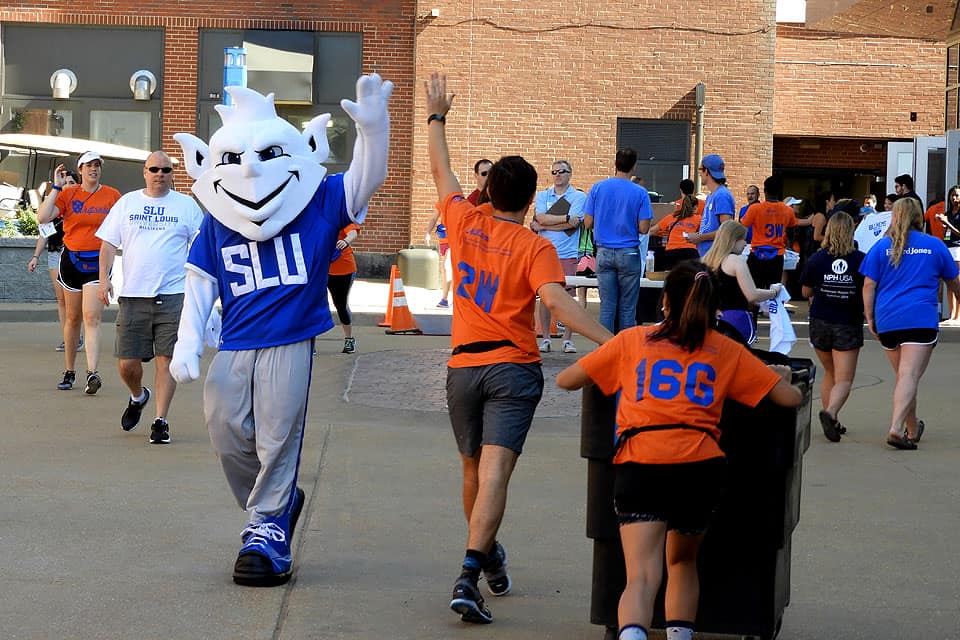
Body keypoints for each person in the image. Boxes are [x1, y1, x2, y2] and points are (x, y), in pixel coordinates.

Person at [171, 76, 392, 586]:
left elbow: (364, 179)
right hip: (236, 339)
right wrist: (186, 339)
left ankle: (266, 529)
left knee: (278, 434)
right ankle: (277, 502)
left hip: (292, 335)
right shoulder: (220, 215)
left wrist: (374, 131)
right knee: (225, 431)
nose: (250, 167)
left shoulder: (317, 198)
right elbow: (200, 279)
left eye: (268, 152)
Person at [424, 71, 614, 625]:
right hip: (511, 367)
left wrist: (437, 116)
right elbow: (557, 306)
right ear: (532, 198)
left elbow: (441, 169)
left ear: (490, 191)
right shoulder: (534, 246)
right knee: (497, 474)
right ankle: (467, 572)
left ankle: (485, 557)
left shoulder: (461, 220)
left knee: (472, 472)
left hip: (462, 368)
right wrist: (615, 339)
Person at [556, 261, 802, 640]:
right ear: (711, 306)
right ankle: (680, 634)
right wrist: (780, 376)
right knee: (683, 561)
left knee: (640, 574)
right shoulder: (725, 349)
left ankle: (632, 634)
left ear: (665, 302)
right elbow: (789, 398)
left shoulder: (633, 341)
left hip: (640, 462)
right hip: (699, 467)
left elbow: (566, 380)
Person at [95, 151, 204, 444]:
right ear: (144, 172)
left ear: (172, 174)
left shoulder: (187, 206)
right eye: (154, 169)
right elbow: (107, 244)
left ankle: (160, 421)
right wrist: (104, 278)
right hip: (133, 295)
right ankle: (138, 395)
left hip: (173, 294)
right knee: (127, 365)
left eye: (165, 170)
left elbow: (201, 248)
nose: (160, 174)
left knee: (166, 360)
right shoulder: (128, 203)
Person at [860, 198, 960, 450]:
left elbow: (868, 286)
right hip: (920, 319)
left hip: (888, 319)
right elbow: (954, 282)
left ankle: (912, 427)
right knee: (909, 375)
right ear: (918, 216)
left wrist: (870, 317)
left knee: (905, 376)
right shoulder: (934, 246)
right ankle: (895, 428)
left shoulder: (882, 246)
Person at [36, 152, 122, 394]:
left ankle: (92, 373)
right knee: (73, 319)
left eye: (97, 166)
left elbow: (121, 227)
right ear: (80, 170)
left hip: (99, 262)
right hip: (71, 259)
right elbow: (42, 217)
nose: (93, 169)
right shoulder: (68, 194)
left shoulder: (112, 195)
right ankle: (70, 370)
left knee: (92, 317)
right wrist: (56, 187)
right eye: (89, 166)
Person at [800, 212, 865, 442]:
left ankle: (833, 422)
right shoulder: (860, 260)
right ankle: (830, 413)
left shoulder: (817, 259)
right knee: (845, 378)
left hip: (820, 321)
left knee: (830, 372)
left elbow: (805, 292)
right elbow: (867, 290)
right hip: (847, 322)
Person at [583, 148, 653, 333]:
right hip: (629, 251)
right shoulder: (640, 193)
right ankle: (626, 352)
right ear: (634, 166)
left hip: (604, 252)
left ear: (615, 164)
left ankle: (605, 351)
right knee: (627, 309)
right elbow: (644, 228)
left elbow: (588, 222)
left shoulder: (598, 188)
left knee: (607, 306)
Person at [531, 159, 588, 353]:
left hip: (567, 253)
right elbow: (540, 217)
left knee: (569, 298)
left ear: (570, 174)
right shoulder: (543, 195)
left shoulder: (578, 197)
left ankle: (567, 340)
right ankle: (545, 338)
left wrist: (545, 225)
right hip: (545, 253)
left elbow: (573, 224)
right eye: (554, 172)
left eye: (561, 171)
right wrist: (563, 218)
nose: (557, 175)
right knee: (545, 297)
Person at [702, 220, 782, 345]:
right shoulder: (735, 260)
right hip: (734, 320)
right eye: (743, 240)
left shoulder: (706, 260)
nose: (745, 244)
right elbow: (752, 295)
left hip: (710, 320)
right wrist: (774, 292)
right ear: (733, 240)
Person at [28, 170, 82, 353]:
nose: (68, 185)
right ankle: (69, 338)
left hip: (75, 255)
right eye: (65, 182)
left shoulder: (80, 207)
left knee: (74, 299)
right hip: (55, 254)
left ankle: (77, 335)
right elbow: (44, 234)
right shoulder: (54, 208)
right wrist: (35, 256)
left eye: (72, 182)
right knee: (61, 299)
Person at [740, 176, 812, 290]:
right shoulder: (787, 210)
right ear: (779, 191)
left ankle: (753, 308)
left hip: (757, 254)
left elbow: (742, 227)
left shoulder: (755, 209)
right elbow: (791, 231)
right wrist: (789, 246)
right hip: (776, 255)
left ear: (764, 191)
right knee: (773, 292)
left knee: (754, 290)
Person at [686, 154, 734, 257]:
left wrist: (699, 237)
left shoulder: (722, 196)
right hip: (708, 256)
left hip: (716, 258)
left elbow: (726, 230)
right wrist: (698, 236)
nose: (699, 173)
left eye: (700, 169)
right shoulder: (712, 196)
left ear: (707, 171)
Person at [649, 178, 700, 271]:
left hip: (671, 253)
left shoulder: (671, 216)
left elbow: (652, 231)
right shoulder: (698, 218)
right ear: (695, 207)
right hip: (690, 252)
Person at [327, 223, 361, 352]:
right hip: (321, 268)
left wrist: (345, 241)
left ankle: (349, 339)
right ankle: (311, 341)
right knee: (316, 303)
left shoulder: (342, 217)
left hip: (343, 269)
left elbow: (353, 232)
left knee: (340, 304)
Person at [935, 185, 960, 322]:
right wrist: (944, 224)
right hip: (948, 247)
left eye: (956, 195)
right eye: (952, 195)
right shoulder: (949, 213)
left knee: (957, 281)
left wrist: (947, 223)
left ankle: (958, 316)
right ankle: (952, 314)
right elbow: (949, 233)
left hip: (958, 248)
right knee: (949, 282)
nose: (954, 198)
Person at [424, 203, 453, 307]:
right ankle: (449, 299)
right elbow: (433, 218)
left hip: (454, 239)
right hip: (444, 240)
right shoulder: (441, 202)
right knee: (446, 269)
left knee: (446, 266)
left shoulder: (458, 201)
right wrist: (428, 233)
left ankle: (445, 299)